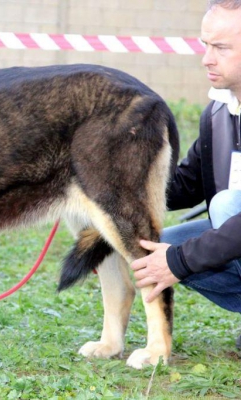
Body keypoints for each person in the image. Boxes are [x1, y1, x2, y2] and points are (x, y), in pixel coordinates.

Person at [131, 0, 241, 347]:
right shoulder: (219, 111)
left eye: (221, 48)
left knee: (225, 205)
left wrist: (180, 261)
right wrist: (118, 178)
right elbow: (184, 184)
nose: (207, 58)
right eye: (205, 45)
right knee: (156, 248)